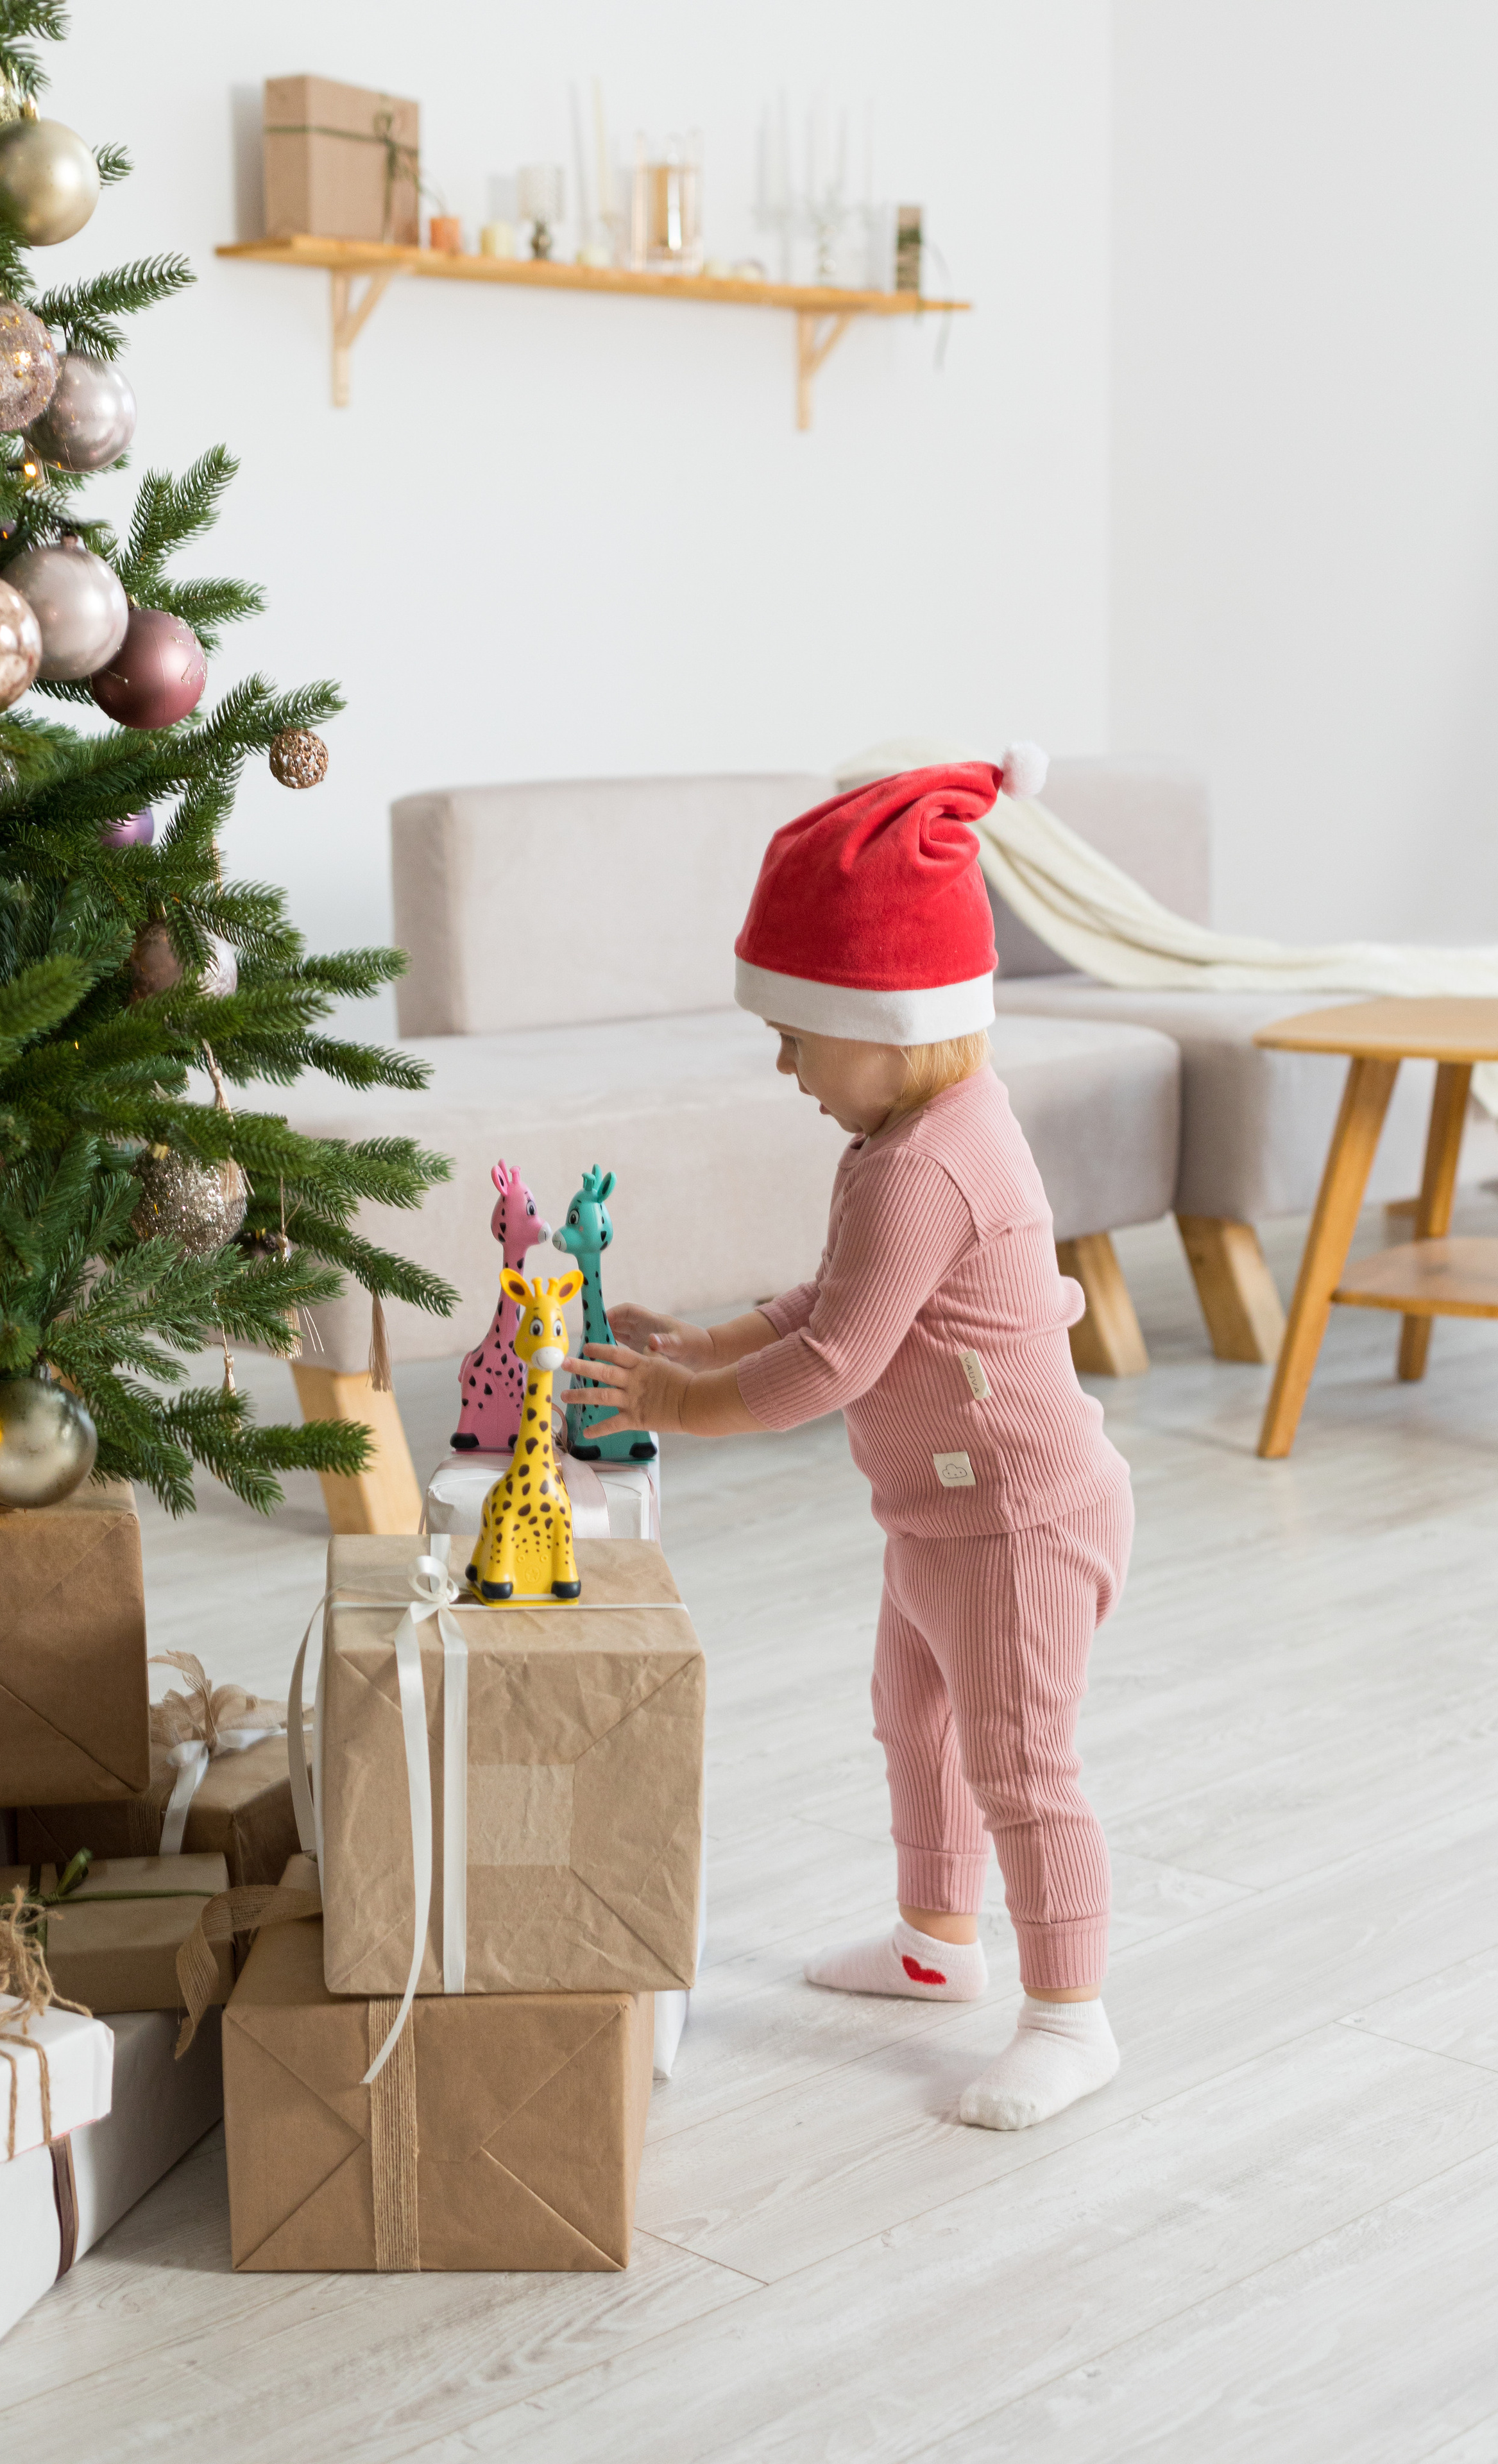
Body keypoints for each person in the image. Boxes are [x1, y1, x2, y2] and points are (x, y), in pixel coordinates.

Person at [564, 752, 1133, 2131]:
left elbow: (831, 1363)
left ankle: (1072, 2018)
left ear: (888, 1021)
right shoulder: (902, 1135)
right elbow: (838, 1298)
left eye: (796, 1032)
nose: (782, 1062)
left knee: (1018, 1761)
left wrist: (669, 1407)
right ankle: (937, 1941)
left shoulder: (929, 1157)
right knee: (912, 1716)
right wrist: (700, 1340)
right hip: (937, 1513)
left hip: (1014, 1520)